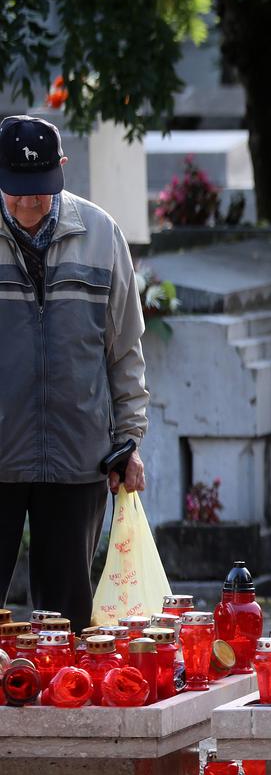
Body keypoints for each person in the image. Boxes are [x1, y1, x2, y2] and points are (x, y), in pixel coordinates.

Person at [0, 115, 149, 630]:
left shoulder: (102, 235)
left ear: (62, 169)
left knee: (65, 621)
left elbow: (124, 350)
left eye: (39, 190)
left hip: (77, 459)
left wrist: (128, 440)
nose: (28, 204)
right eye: (16, 191)